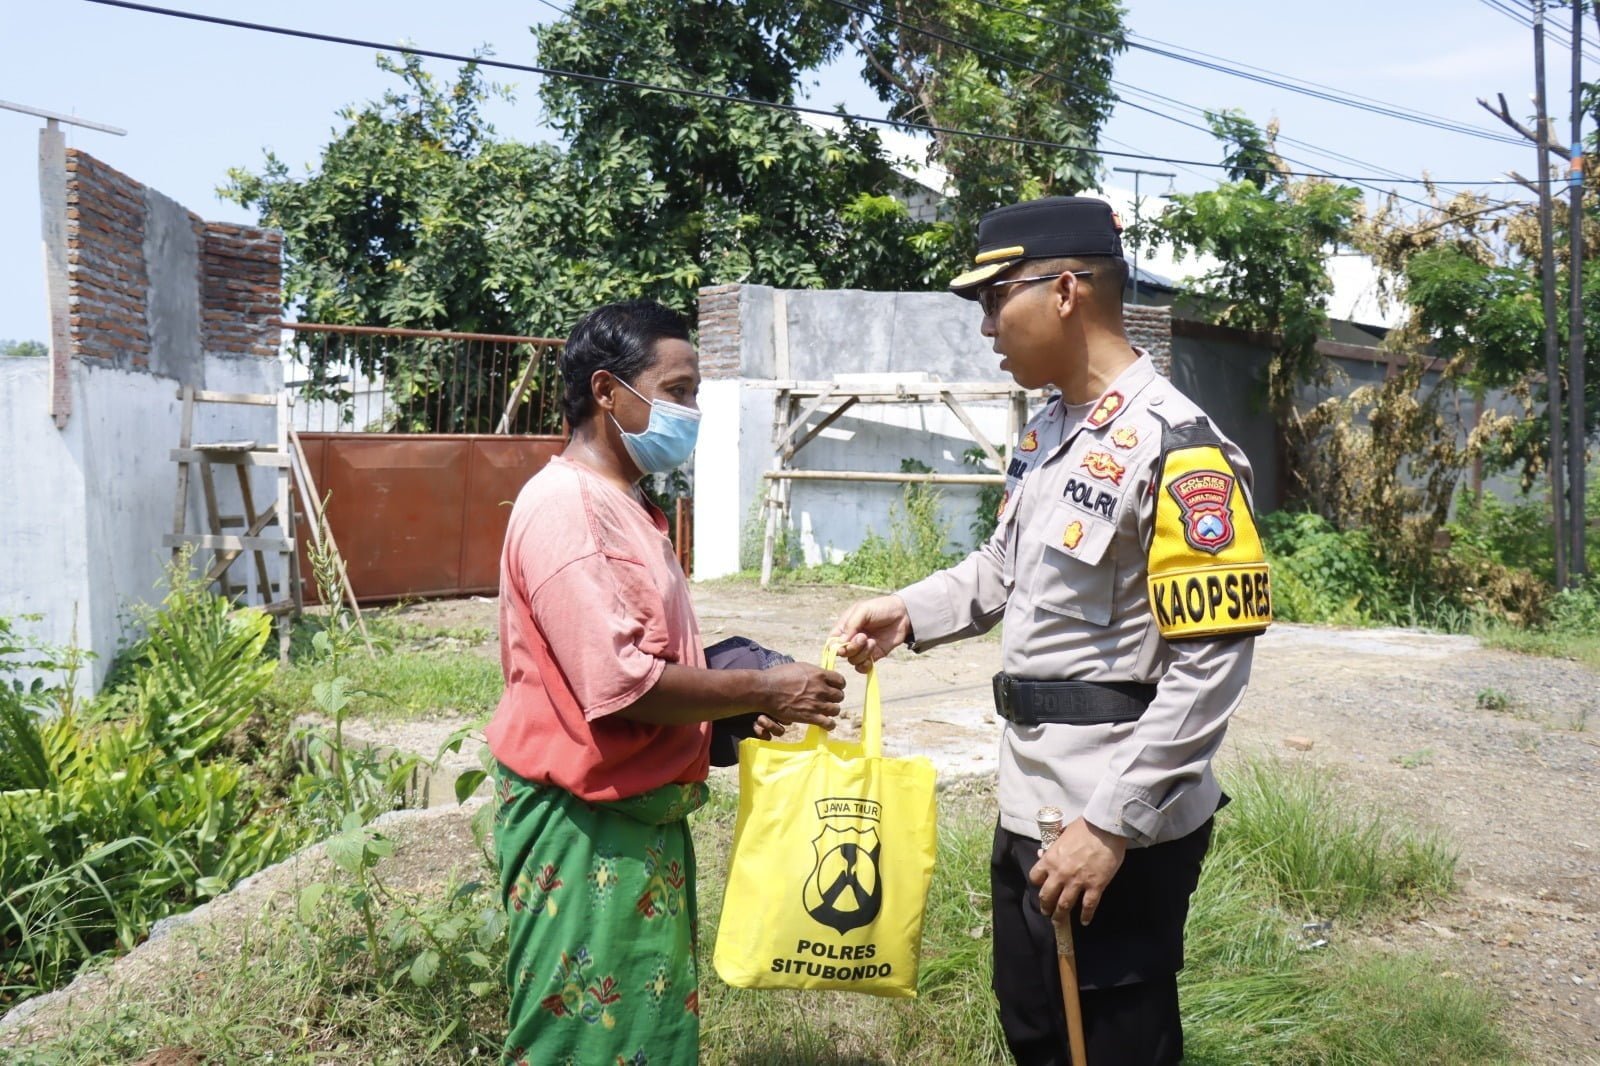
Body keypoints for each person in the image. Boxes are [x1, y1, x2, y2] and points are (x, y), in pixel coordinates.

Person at [832, 197, 1272, 1066]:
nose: (988, 325)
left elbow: (1211, 665)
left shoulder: (1179, 449)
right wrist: (908, 613)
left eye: (996, 299)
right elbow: (1000, 570)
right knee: (1034, 1027)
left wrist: (1112, 825)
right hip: (1029, 797)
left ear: (1065, 290)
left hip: (1115, 809)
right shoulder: (1051, 432)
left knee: (1113, 1043)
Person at [486, 299, 846, 1066]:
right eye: (677, 390)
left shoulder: (626, 506)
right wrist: (764, 689)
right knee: (580, 1039)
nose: (692, 411)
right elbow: (621, 685)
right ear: (609, 392)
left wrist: (737, 709)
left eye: (695, 393)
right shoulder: (569, 511)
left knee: (637, 1035)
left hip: (633, 825)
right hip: (584, 826)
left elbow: (649, 659)